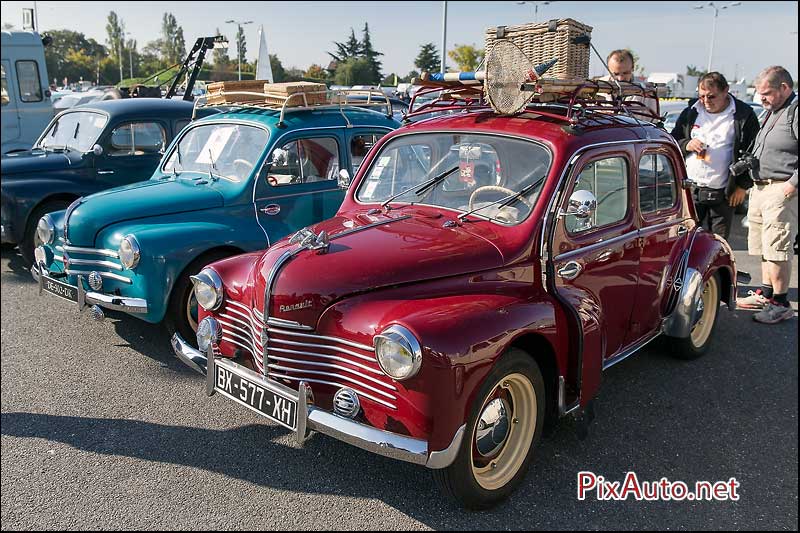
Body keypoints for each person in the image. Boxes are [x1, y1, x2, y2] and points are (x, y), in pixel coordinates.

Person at [736, 66, 798, 324]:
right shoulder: (772, 111)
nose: (761, 98)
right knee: (764, 247)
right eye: (759, 93)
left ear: (784, 87)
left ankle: (780, 303)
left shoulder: (795, 111)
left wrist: (793, 184)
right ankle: (766, 292)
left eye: (767, 93)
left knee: (778, 250)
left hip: (781, 188)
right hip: (762, 187)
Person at [670, 72, 760, 240]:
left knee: (717, 244)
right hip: (690, 190)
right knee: (686, 240)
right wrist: (686, 144)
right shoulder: (692, 111)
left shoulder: (743, 115)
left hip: (724, 193)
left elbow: (753, 151)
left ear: (726, 91)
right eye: (702, 96)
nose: (706, 101)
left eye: (711, 96)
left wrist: (742, 186)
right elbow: (673, 139)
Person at [601, 49, 659, 122]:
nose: (620, 78)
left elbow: (652, 122)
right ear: (608, 69)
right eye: (616, 74)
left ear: (633, 68)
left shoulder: (646, 91)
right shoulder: (595, 87)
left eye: (625, 73)